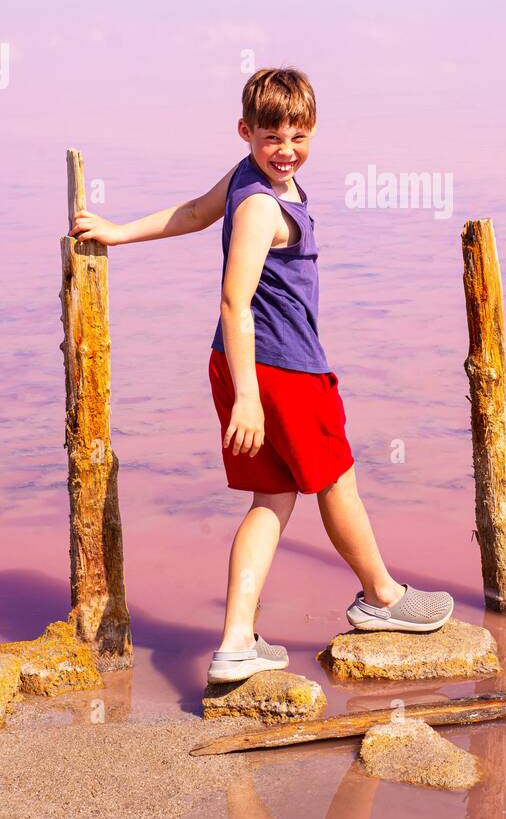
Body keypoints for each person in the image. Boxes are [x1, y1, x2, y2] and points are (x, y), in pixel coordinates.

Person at [70, 67, 454, 684]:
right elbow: (234, 300)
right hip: (281, 372)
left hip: (244, 363)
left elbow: (195, 212)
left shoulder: (250, 176)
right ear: (247, 131)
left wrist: (118, 233)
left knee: (272, 499)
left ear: (313, 132)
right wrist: (249, 397)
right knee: (338, 483)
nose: (286, 151)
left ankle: (235, 643)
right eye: (272, 137)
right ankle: (383, 598)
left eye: (298, 136)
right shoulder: (260, 203)